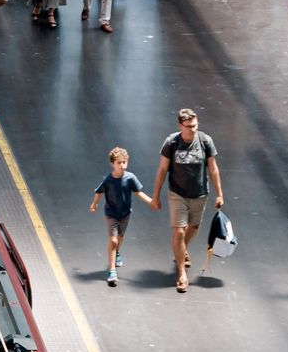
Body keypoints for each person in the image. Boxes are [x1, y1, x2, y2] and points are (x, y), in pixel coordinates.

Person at [149, 108, 223, 293]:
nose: (193, 129)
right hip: (177, 194)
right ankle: (181, 273)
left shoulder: (205, 141)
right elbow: (162, 170)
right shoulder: (172, 142)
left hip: (199, 194)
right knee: (179, 233)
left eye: (195, 125)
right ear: (180, 126)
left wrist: (219, 193)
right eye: (189, 126)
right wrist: (156, 196)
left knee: (194, 227)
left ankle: (182, 249)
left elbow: (213, 169)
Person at [90, 147, 157, 287]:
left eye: (124, 162)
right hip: (111, 214)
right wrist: (94, 204)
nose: (122, 165)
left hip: (125, 214)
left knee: (120, 238)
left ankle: (117, 253)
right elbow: (98, 192)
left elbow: (138, 192)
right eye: (119, 162)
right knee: (113, 240)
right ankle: (112, 270)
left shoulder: (130, 178)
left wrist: (151, 201)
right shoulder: (108, 180)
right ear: (113, 164)